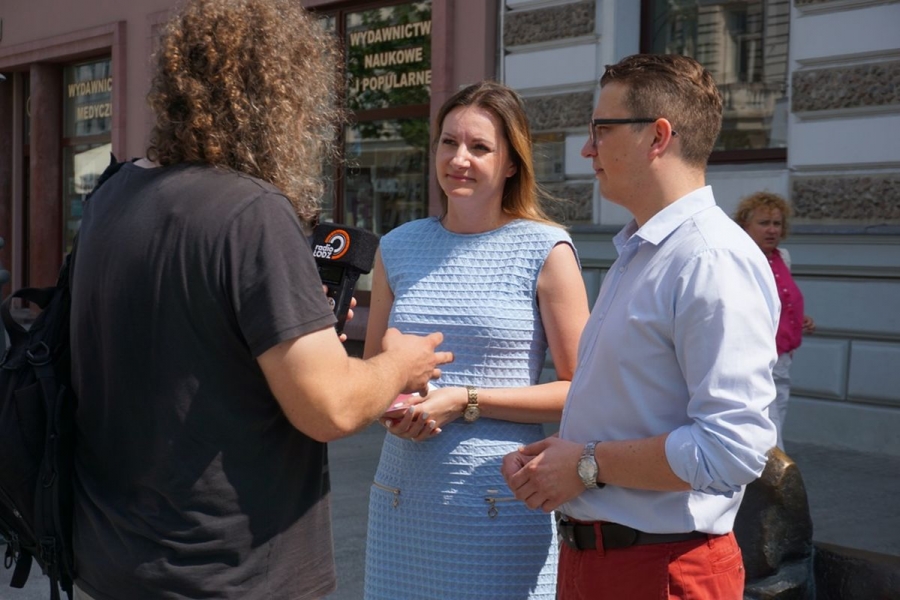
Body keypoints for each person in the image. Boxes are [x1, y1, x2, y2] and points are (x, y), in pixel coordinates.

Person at [68, 1, 452, 599]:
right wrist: (399, 364)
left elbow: (184, 341)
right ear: (279, 97)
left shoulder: (112, 197)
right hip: (226, 571)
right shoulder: (252, 212)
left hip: (113, 558)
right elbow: (329, 408)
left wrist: (295, 322)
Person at [501, 54, 780, 600]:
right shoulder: (647, 249)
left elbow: (732, 449)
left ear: (657, 136)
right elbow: (638, 408)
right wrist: (566, 455)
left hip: (663, 568)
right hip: (611, 561)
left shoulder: (710, 258)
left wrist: (586, 464)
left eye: (601, 130)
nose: (587, 149)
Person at [362, 80, 590, 600]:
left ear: (511, 163)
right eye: (449, 142)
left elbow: (580, 390)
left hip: (500, 503)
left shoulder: (546, 249)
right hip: (402, 501)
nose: (458, 159)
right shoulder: (396, 247)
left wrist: (466, 400)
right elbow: (371, 376)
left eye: (479, 147)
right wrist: (392, 411)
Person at [734, 191, 815, 450]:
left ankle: (769, 467)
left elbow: (781, 299)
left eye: (777, 224)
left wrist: (798, 318)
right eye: (763, 223)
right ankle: (776, 470)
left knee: (779, 409)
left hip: (783, 355)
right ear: (745, 226)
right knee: (768, 421)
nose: (772, 230)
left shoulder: (783, 257)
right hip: (757, 354)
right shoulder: (740, 259)